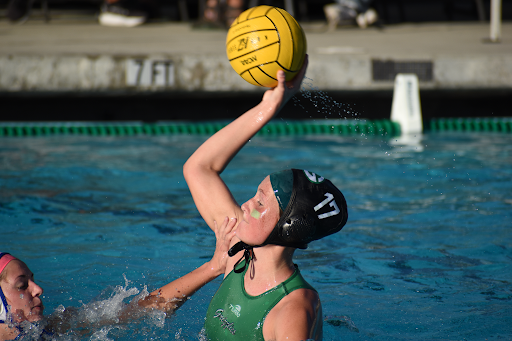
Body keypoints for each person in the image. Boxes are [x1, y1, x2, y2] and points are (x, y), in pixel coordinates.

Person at [183, 54, 348, 340]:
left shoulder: (291, 310)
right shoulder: (235, 251)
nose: (245, 205)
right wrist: (269, 107)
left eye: (260, 202)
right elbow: (199, 168)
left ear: (288, 227)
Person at [0, 216, 236, 341]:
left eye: (32, 280)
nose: (38, 289)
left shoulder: (53, 329)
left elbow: (141, 310)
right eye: (22, 285)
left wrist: (213, 267)